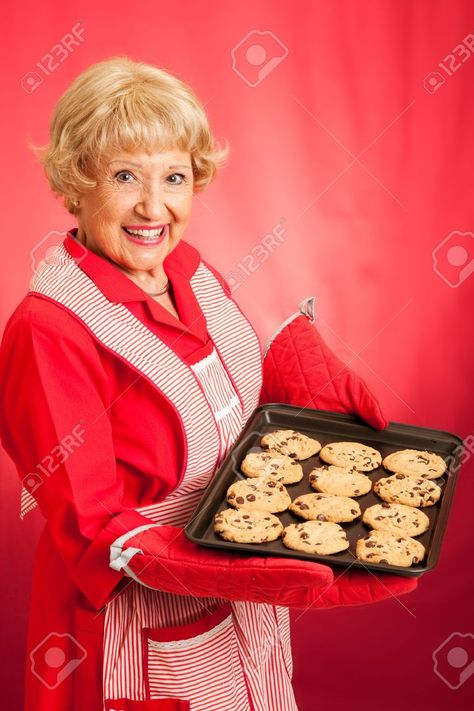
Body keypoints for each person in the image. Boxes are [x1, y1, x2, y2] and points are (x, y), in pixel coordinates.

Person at [0, 57, 417, 711]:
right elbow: (90, 527)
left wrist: (298, 380)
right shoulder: (48, 327)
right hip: (136, 626)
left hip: (237, 598)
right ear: (75, 183)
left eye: (174, 176)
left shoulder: (189, 272)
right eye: (124, 176)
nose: (153, 205)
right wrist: (215, 562)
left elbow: (224, 394)